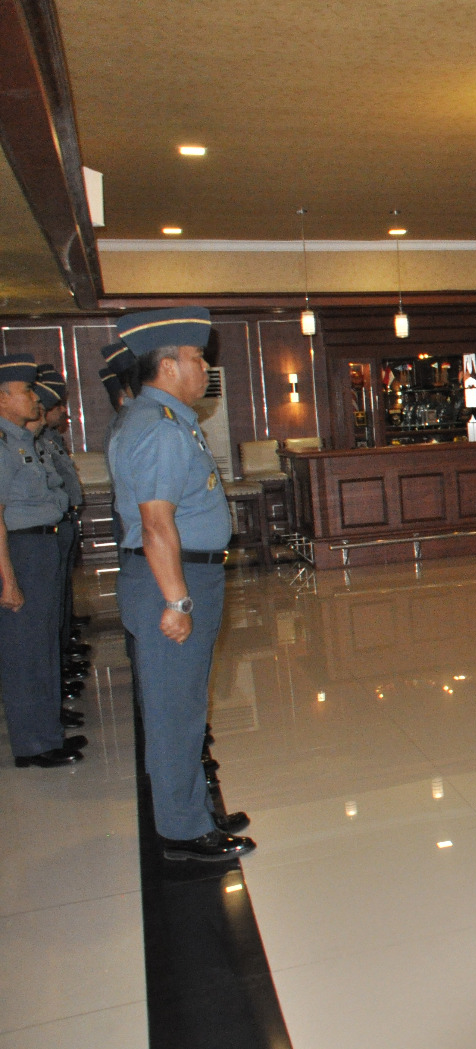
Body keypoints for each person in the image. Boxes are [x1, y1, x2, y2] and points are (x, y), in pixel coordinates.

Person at [108, 307, 253, 859]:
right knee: (175, 709)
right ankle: (183, 830)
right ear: (167, 366)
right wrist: (177, 600)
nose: (204, 369)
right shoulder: (159, 427)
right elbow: (155, 523)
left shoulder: (168, 420)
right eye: (196, 359)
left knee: (185, 703)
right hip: (173, 577)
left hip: (184, 571)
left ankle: (191, 808)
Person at [0, 353, 81, 769]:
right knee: (24, 650)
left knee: (43, 642)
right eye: (26, 390)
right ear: (2, 396)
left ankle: (47, 733)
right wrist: (7, 579)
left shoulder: (18, 439)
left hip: (39, 545)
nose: (35, 398)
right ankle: (32, 744)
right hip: (20, 550)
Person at [31, 368, 92, 676]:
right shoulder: (24, 442)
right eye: (55, 406)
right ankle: (56, 667)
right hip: (35, 535)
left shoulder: (47, 440)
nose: (62, 412)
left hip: (57, 524)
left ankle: (62, 656)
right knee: (43, 611)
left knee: (58, 598)